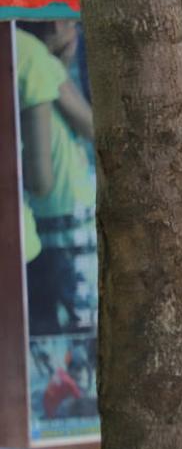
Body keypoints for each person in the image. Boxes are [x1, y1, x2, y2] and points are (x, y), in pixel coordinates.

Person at [16, 21, 96, 335]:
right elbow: (92, 128)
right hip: (61, 217)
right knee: (71, 331)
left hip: (42, 220)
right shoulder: (33, 57)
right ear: (55, 26)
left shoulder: (31, 56)